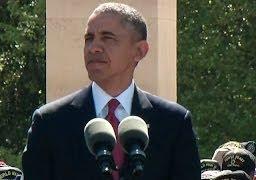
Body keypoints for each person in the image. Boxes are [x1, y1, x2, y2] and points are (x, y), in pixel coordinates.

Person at [22, 2, 200, 180]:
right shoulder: (50, 122)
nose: (94, 48)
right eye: (89, 38)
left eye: (107, 38)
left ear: (139, 51)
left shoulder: (173, 123)